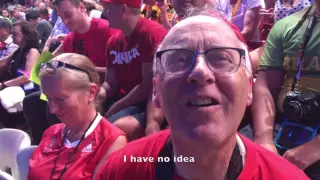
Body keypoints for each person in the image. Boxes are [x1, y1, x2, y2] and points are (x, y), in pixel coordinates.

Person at [96, 6, 310, 180]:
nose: (200, 71)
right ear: (156, 91)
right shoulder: (120, 171)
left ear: (249, 88)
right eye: (179, 59)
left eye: (221, 58)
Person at [23, 0, 118, 145]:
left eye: (68, 15)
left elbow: (117, 71)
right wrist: (50, 48)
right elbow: (39, 71)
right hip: (72, 88)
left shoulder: (107, 30)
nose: (66, 21)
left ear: (81, 8)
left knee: (54, 104)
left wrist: (79, 70)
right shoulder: (70, 40)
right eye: (61, 18)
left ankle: (68, 147)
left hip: (103, 88)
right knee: (32, 101)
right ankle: (45, 147)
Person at [28, 53, 127, 180]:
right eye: (48, 99)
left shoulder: (111, 141)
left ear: (91, 92)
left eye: (60, 99)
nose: (52, 109)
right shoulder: (51, 132)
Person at [252, 1, 320, 178]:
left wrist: (316, 147)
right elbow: (265, 85)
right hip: (285, 122)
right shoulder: (286, 26)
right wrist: (264, 140)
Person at [100, 0, 167, 141]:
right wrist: (97, 96)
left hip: (150, 103)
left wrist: (116, 107)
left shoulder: (150, 33)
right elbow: (110, 83)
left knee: (110, 127)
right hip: (126, 99)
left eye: (108, 8)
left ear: (123, 9)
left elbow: (147, 85)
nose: (104, 13)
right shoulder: (113, 42)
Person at [0, 20, 40, 128]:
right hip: (16, 91)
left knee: (8, 108)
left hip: (28, 93)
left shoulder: (33, 51)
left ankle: (20, 126)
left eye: (15, 34)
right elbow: (3, 62)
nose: (12, 36)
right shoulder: (18, 51)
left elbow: (27, 77)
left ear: (26, 35)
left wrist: (3, 85)